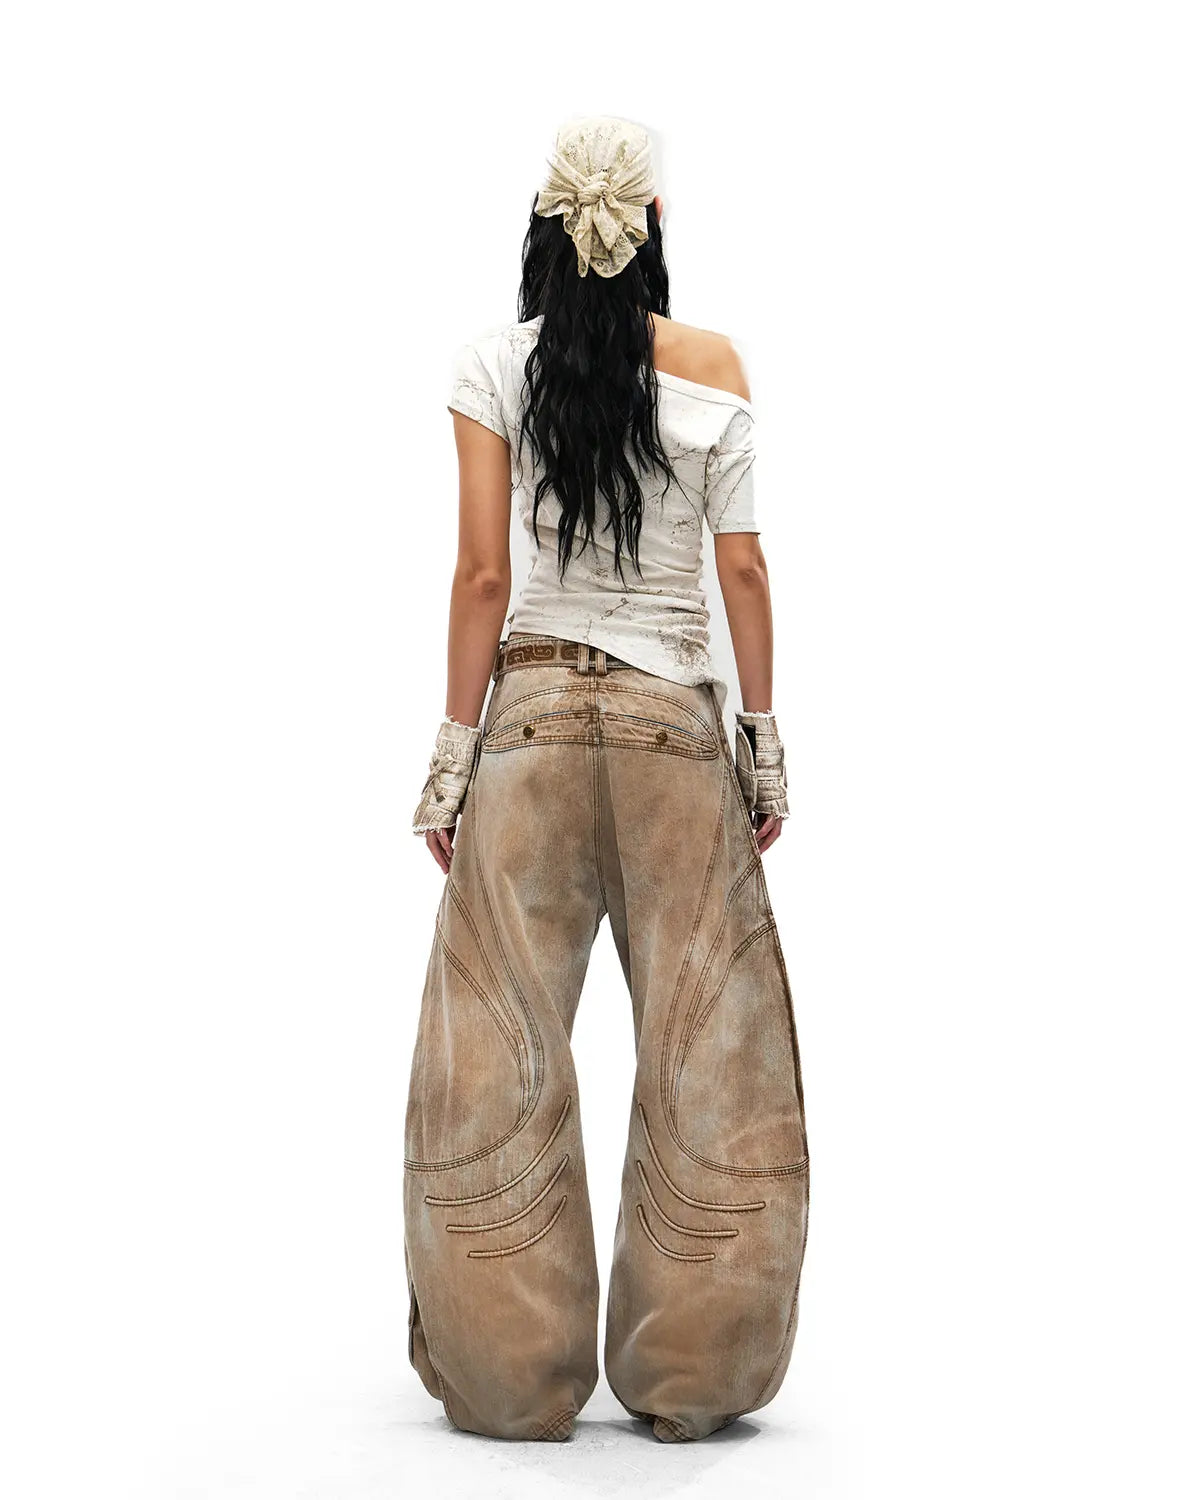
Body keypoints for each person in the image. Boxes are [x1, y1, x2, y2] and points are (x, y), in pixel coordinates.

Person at [403, 116, 809, 1445]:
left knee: (497, 1043)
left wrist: (452, 761)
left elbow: (481, 579)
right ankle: (694, 1377)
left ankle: (508, 1380)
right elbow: (742, 571)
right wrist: (763, 741)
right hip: (674, 735)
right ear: (653, 234)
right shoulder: (714, 367)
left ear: (543, 230)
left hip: (525, 729)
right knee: (711, 1046)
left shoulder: (491, 366)